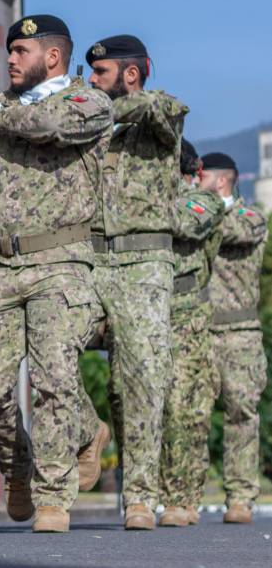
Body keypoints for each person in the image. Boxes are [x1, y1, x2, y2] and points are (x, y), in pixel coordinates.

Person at [0, 15, 112, 533]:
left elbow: (51, 125)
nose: (9, 58)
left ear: (52, 57)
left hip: (60, 262)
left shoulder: (88, 102)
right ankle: (22, 465)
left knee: (53, 379)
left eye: (20, 50)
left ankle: (54, 496)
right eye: (9, 50)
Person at [84, 34, 186, 530]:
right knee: (47, 347)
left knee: (140, 381)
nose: (90, 81)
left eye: (100, 73)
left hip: (143, 264)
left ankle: (141, 495)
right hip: (87, 261)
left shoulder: (159, 118)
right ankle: (88, 430)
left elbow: (162, 108)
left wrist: (98, 109)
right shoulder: (88, 125)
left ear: (129, 74)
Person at [156, 142, 226, 527]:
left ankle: (180, 496)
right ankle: (152, 491)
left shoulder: (205, 201)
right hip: (149, 308)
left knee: (184, 407)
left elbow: (184, 221)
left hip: (188, 316)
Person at [198, 153, 268, 524]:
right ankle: (183, 496)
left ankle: (240, 497)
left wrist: (196, 209)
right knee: (191, 414)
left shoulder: (249, 216)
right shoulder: (197, 213)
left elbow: (229, 231)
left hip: (240, 333)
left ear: (222, 180)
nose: (196, 180)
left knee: (241, 414)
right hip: (199, 331)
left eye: (202, 175)